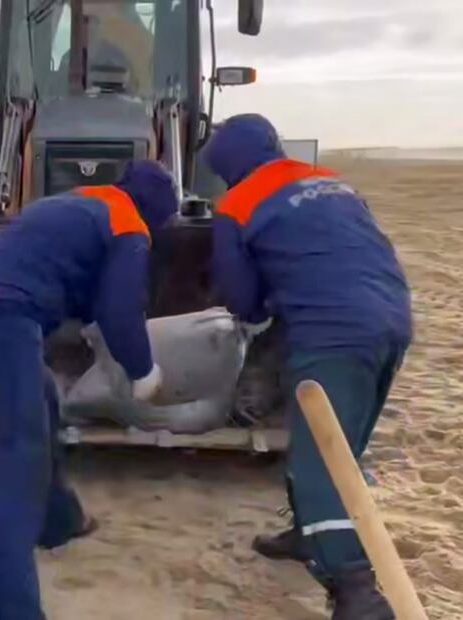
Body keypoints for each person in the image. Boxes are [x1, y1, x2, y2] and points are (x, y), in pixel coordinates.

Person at [0, 160, 177, 620]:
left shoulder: (78, 202)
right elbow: (122, 307)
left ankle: (58, 520)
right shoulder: (129, 223)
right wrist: (142, 369)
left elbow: (69, 271)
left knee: (45, 399)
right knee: (20, 455)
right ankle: (11, 610)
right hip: (3, 315)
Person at [205, 114, 412, 620]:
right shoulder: (331, 182)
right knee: (343, 444)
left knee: (320, 460)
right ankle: (307, 533)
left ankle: (356, 590)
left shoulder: (237, 204)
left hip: (331, 331)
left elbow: (240, 297)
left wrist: (259, 306)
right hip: (392, 317)